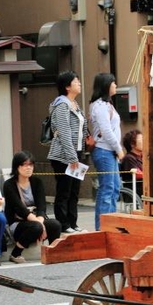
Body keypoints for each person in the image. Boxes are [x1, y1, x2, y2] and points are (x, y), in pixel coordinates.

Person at [47, 71, 89, 234]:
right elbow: (64, 132)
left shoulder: (75, 104)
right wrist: (72, 158)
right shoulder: (61, 105)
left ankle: (73, 222)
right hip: (63, 156)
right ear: (67, 86)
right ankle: (63, 224)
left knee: (74, 191)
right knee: (64, 190)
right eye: (76, 81)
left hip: (76, 153)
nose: (79, 83)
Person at [3, 151, 62, 263]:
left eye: (31, 165)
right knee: (36, 227)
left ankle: (52, 253)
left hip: (35, 221)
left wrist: (40, 221)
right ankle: (15, 254)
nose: (28, 168)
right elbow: (20, 209)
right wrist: (40, 224)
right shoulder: (9, 185)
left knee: (55, 224)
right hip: (17, 223)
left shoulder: (37, 182)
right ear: (17, 167)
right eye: (24, 165)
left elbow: (41, 206)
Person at [89, 73, 123, 230]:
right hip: (104, 151)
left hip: (109, 152)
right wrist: (119, 148)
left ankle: (110, 224)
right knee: (107, 188)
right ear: (105, 85)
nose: (115, 85)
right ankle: (102, 228)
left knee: (115, 187)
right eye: (113, 83)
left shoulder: (107, 105)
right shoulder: (99, 106)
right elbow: (107, 131)